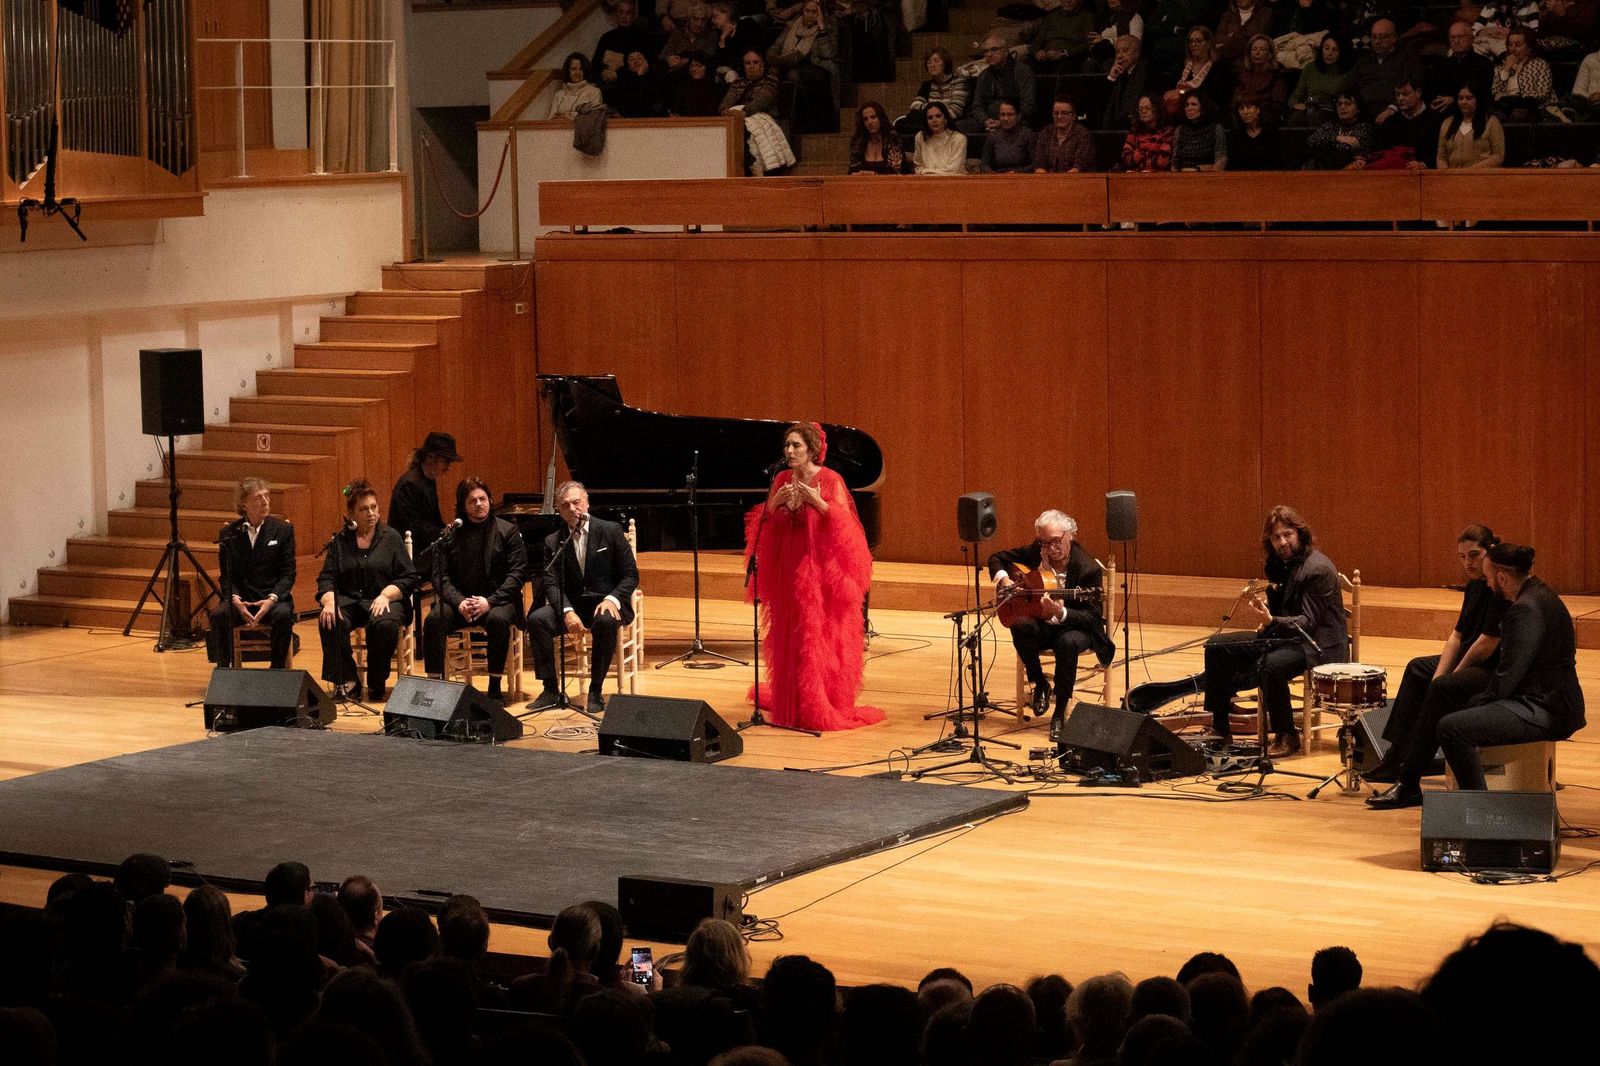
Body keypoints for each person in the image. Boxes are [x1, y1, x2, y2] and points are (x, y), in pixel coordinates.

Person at [1375, 542, 1586, 803]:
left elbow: (1508, 676)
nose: (1487, 584)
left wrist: (1473, 706)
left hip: (1545, 708)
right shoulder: (1538, 594)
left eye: (1488, 578)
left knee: (1451, 726)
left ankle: (1479, 809)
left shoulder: (1525, 610)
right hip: (1539, 696)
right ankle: (1408, 781)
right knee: (1444, 690)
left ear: (1502, 578)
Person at [742, 422, 882, 731]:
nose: (790, 451)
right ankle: (793, 700)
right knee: (790, 630)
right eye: (787, 446)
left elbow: (847, 527)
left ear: (811, 450)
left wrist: (816, 500)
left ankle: (818, 699)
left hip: (819, 568)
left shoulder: (830, 479)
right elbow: (768, 522)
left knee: (816, 632)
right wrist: (775, 503)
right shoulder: (782, 479)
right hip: (789, 566)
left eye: (796, 446)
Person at [1365, 525, 1503, 796]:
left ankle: (1411, 772)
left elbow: (1486, 644)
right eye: (1462, 557)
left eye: (1473, 555)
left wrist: (1451, 677)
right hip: (1470, 657)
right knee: (1418, 669)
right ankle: (1395, 757)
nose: (1467, 563)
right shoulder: (1474, 586)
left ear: (1490, 551)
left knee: (1443, 688)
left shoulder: (1498, 588)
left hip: (1490, 666)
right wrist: (1439, 676)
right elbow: (1457, 636)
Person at [1202, 505, 1347, 756]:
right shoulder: (1280, 564)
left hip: (1317, 645)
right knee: (1217, 646)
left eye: (1287, 534)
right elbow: (1285, 607)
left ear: (1300, 533)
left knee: (1268, 666)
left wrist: (1271, 620)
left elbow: (1307, 622)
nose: (1282, 542)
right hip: (1286, 637)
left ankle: (1287, 735)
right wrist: (1268, 608)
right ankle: (1220, 727)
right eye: (1276, 537)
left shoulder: (1318, 569)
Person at [987, 510, 1114, 729]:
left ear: (1070, 535)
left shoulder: (1087, 568)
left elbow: (1093, 618)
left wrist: (1061, 612)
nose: (1050, 548)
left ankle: (1059, 714)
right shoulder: (1037, 552)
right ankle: (1040, 683)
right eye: (1044, 542)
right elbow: (996, 558)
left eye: (1056, 541)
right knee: (1019, 625)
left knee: (1066, 643)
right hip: (1043, 624)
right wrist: (1005, 580)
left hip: (1076, 628)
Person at [527, 481, 639, 715]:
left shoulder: (610, 531)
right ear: (559, 510)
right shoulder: (553, 541)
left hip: (605, 602)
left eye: (576, 502)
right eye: (565, 505)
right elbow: (551, 582)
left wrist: (612, 599)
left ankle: (595, 690)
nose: (572, 509)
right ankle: (550, 689)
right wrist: (567, 611)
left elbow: (631, 575)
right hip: (574, 605)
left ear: (586, 502)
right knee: (537, 619)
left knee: (605, 621)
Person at [422, 477, 529, 703]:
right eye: (472, 501)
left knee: (498, 620)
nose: (479, 504)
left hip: (497, 601)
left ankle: (494, 688)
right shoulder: (450, 534)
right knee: (433, 620)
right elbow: (440, 576)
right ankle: (434, 686)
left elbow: (517, 574)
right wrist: (459, 601)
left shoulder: (508, 531)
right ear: (463, 505)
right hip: (461, 603)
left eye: (483, 499)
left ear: (490, 500)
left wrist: (489, 602)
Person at [317, 478, 418, 702]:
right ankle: (348, 680)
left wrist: (386, 595)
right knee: (329, 620)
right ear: (351, 514)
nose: (371, 513)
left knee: (384, 624)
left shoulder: (391, 537)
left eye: (373, 507)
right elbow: (326, 578)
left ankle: (376, 681)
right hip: (350, 601)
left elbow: (409, 577)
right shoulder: (340, 541)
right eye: (364, 509)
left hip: (386, 600)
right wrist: (330, 602)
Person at [208, 476, 296, 669]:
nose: (265, 502)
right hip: (243, 599)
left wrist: (271, 599)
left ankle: (277, 671)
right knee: (219, 616)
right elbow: (227, 576)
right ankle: (224, 671)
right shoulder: (229, 534)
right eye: (258, 497)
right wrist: (236, 600)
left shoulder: (283, 529)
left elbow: (288, 573)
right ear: (244, 504)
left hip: (272, 598)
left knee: (283, 615)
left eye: (266, 496)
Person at [388, 431, 460, 572]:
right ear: (430, 458)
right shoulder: (410, 483)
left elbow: (430, 520)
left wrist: (445, 530)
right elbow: (412, 526)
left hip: (421, 551)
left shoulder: (427, 480)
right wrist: (441, 532)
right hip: (409, 556)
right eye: (446, 461)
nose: (449, 467)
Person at [766, 0, 839, 133]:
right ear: (802, 12)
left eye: (814, 12)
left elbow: (828, 54)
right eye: (807, 11)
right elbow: (775, 48)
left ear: (820, 13)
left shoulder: (828, 26)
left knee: (793, 74)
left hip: (818, 66)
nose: (810, 15)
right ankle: (780, 122)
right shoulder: (792, 26)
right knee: (775, 71)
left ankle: (808, 119)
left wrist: (822, 28)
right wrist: (776, 58)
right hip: (790, 63)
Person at [960, 35, 1037, 134]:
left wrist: (1003, 123)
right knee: (958, 126)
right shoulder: (984, 75)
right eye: (986, 51)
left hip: (1016, 123)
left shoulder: (1022, 71)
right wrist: (985, 121)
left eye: (994, 49)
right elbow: (977, 105)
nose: (989, 54)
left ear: (1006, 51)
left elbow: (1028, 106)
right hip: (988, 123)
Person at [1351, 19, 1423, 118]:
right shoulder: (1364, 61)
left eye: (1382, 37)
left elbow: (1410, 87)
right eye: (1374, 37)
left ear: (1394, 38)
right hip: (1364, 113)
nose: (1377, 42)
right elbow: (1354, 87)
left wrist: (1392, 109)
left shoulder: (1407, 58)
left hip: (1396, 112)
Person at [897, 47, 970, 134]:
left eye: (936, 61)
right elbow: (914, 107)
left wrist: (929, 109)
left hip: (950, 123)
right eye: (929, 62)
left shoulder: (958, 82)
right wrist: (939, 108)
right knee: (900, 123)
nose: (932, 65)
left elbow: (954, 112)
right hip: (929, 122)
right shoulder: (926, 85)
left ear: (945, 63)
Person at [1426, 21, 1494, 112]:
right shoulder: (1441, 66)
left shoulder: (1484, 64)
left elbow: (1483, 93)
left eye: (1460, 36)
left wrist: (1454, 99)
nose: (1456, 41)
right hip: (1443, 113)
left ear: (1471, 38)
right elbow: (1431, 92)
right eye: (1452, 37)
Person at [1288, 33, 1352, 126]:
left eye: (1335, 50)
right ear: (1321, 49)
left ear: (1341, 52)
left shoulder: (1347, 74)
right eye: (1326, 48)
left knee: (1317, 116)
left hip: (1332, 112)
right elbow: (1297, 94)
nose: (1329, 53)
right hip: (1310, 108)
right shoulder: (1310, 68)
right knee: (1297, 118)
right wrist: (1295, 104)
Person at [1491, 27, 1557, 117]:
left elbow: (1542, 94)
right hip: (1507, 110)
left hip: (1536, 110)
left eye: (1518, 45)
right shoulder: (1500, 68)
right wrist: (1506, 70)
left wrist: (1514, 97)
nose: (1513, 49)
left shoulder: (1539, 65)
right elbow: (1495, 94)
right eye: (1510, 45)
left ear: (1529, 48)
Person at [1435, 83, 1504, 169]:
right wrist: (1446, 174)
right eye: (1460, 98)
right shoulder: (1447, 123)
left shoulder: (1492, 122)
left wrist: (1470, 171)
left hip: (1480, 176)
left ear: (1478, 99)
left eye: (1469, 98)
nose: (1464, 102)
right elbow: (1441, 157)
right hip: (1453, 176)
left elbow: (1498, 156)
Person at [592, 1, 657, 90]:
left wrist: (619, 74)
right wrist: (603, 73)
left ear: (634, 15)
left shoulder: (643, 35)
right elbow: (595, 63)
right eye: (621, 12)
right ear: (616, 14)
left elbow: (650, 61)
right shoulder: (606, 37)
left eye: (628, 13)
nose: (624, 16)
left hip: (636, 84)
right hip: (610, 86)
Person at [1304, 90, 1375, 168]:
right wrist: (1337, 137)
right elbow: (1311, 141)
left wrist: (1328, 142)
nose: (1342, 107)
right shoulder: (1331, 125)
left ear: (1358, 108)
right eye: (1339, 104)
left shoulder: (1364, 127)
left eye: (1348, 103)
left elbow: (1346, 149)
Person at [1024, 0, 1096, 75]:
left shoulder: (1087, 17)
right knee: (1024, 67)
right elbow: (1036, 41)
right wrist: (1037, 52)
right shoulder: (1051, 16)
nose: (1067, 1)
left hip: (1069, 58)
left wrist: (1063, 54)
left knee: (1063, 68)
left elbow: (1088, 44)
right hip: (1045, 58)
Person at [1232, 33, 1287, 122]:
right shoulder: (1242, 76)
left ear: (1270, 54)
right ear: (1250, 54)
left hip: (1268, 118)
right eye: (1254, 49)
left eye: (1262, 49)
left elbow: (1277, 104)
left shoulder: (1277, 76)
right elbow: (1236, 100)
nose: (1257, 53)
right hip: (1243, 117)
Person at [1034, 95, 1099, 171]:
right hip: (1047, 177)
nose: (1059, 116)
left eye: (1064, 113)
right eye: (1056, 113)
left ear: (1073, 116)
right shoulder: (1045, 133)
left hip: (1076, 177)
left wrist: (1061, 179)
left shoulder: (1083, 135)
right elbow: (1039, 164)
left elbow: (1079, 168)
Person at [1171, 89, 1227, 168]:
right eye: (1186, 105)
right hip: (1183, 173)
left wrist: (1198, 170)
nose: (1189, 108)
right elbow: (1175, 160)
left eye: (1194, 104)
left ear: (1203, 107)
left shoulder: (1216, 129)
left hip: (1207, 173)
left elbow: (1221, 159)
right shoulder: (1180, 130)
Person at [849, 101, 905, 173]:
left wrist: (874, 175)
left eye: (873, 117)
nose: (869, 122)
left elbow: (895, 169)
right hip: (864, 180)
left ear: (881, 118)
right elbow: (853, 168)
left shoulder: (892, 138)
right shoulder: (858, 140)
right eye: (865, 119)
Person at [912, 100, 967, 174]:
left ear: (945, 118)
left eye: (938, 116)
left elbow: (953, 170)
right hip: (927, 180)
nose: (934, 120)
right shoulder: (920, 137)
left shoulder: (959, 139)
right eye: (930, 118)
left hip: (952, 180)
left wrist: (926, 171)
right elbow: (918, 167)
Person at [1120, 93, 1173, 170]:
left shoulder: (1167, 131)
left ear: (1157, 110)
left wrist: (1139, 156)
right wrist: (1150, 157)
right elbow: (1126, 156)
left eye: (1148, 108)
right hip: (1137, 174)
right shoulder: (1134, 131)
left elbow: (1162, 162)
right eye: (1140, 109)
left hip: (1160, 175)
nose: (1143, 111)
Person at [982, 99, 1036, 172]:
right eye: (1003, 115)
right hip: (999, 176)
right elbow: (984, 165)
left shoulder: (1027, 135)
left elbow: (1036, 164)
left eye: (1010, 115)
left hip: (1022, 176)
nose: (1006, 119)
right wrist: (995, 175)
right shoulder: (993, 137)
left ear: (1018, 116)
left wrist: (1017, 172)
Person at [1227, 98, 1283, 168]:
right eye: (1241, 108)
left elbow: (1278, 161)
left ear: (1258, 110)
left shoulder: (1271, 132)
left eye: (1249, 107)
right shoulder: (1234, 135)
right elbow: (1233, 164)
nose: (1245, 112)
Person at [547, 53, 605, 118]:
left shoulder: (594, 92)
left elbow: (594, 118)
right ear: (568, 71)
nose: (577, 72)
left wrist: (569, 116)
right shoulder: (559, 94)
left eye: (581, 69)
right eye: (574, 69)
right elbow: (550, 118)